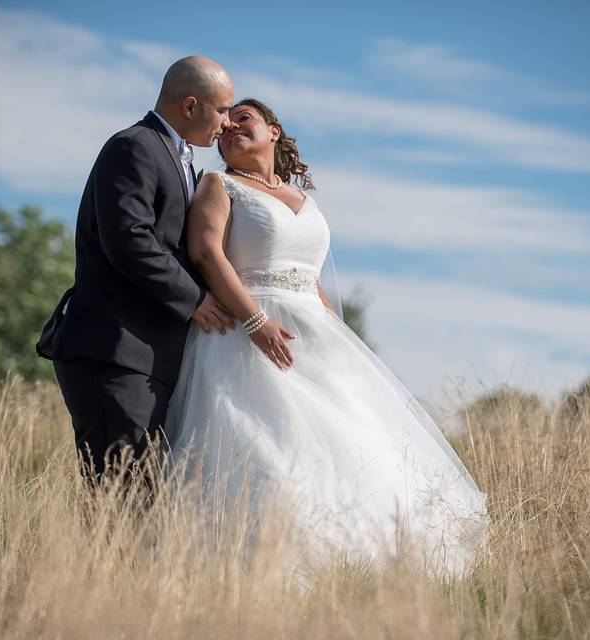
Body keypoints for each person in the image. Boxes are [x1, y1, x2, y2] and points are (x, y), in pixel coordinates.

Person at [164, 98, 491, 577]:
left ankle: (357, 564)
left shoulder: (306, 201)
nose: (231, 126)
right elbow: (206, 253)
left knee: (347, 446)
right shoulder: (220, 184)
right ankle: (257, 567)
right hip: (243, 331)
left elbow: (310, 277)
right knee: (264, 447)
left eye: (244, 118)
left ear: (273, 131)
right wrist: (255, 322)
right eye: (225, 123)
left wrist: (335, 336)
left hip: (309, 334)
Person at [35, 56, 237, 493]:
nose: (226, 123)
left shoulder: (181, 161)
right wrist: (197, 299)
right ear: (189, 106)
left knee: (143, 503)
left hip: (146, 361)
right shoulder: (135, 146)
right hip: (115, 355)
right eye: (222, 110)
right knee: (121, 506)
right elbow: (129, 240)